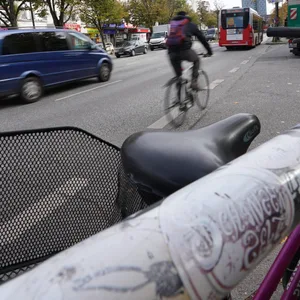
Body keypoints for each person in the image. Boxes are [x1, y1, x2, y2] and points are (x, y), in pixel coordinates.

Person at [167, 11, 213, 90]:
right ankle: (194, 83)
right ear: (186, 16)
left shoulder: (172, 24)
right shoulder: (190, 24)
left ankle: (178, 99)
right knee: (197, 60)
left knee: (179, 76)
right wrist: (209, 51)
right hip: (184, 50)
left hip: (171, 52)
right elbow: (202, 38)